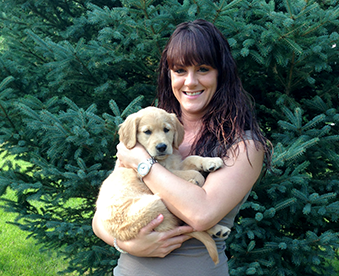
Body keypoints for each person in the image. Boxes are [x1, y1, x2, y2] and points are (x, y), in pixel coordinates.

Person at [92, 19, 271, 275]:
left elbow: (201, 214)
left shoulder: (244, 145)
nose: (190, 81)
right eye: (179, 70)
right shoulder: (150, 129)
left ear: (221, 73)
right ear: (169, 75)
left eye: (203, 69)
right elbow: (101, 216)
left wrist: (142, 163)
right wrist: (126, 243)